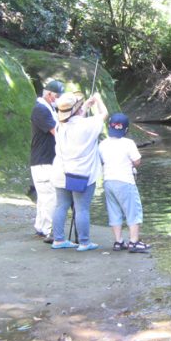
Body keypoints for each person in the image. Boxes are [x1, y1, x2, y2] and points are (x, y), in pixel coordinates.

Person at [49, 91, 108, 251]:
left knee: (61, 205)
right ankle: (84, 242)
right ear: (76, 109)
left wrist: (85, 107)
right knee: (82, 208)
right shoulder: (88, 125)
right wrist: (98, 99)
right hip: (82, 174)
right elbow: (104, 114)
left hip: (61, 172)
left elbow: (73, 119)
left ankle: (59, 240)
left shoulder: (59, 125)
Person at [98, 113, 150, 253]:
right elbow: (137, 161)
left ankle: (118, 241)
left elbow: (101, 161)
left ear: (110, 127)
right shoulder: (128, 143)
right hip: (125, 181)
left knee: (114, 211)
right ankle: (133, 242)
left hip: (108, 181)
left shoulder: (103, 144)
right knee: (133, 211)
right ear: (126, 129)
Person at [30, 79, 65, 243]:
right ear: (50, 94)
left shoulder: (49, 108)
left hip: (45, 159)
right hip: (43, 160)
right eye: (57, 96)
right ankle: (50, 230)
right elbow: (56, 132)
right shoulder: (41, 109)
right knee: (50, 196)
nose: (58, 99)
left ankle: (41, 227)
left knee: (45, 196)